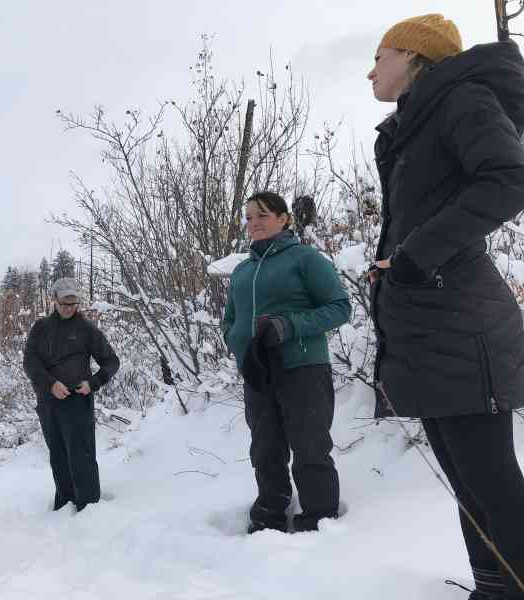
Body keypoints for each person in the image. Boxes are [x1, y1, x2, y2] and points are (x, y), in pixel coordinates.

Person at [367, 14, 524, 599]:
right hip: (429, 328)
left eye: (379, 56)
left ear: (412, 55)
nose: (370, 71)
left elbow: (510, 177)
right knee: (468, 485)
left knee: (493, 483)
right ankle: (494, 589)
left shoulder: (462, 100)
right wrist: (397, 264)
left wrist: (414, 255)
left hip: (466, 326)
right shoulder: (411, 126)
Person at [221, 191, 350, 534]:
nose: (253, 223)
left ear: (284, 219)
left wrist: (289, 326)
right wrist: (235, 343)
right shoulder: (241, 272)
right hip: (258, 372)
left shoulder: (306, 259)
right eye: (248, 217)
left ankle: (318, 520)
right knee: (265, 448)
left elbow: (340, 307)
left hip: (303, 367)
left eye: (262, 215)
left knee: (310, 445)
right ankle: (269, 517)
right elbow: (230, 319)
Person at [23, 278, 120, 512]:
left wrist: (93, 383)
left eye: (73, 303)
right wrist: (50, 384)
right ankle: (64, 505)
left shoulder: (87, 330)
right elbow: (30, 363)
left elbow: (111, 362)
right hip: (49, 403)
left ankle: (88, 508)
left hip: (78, 403)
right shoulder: (41, 328)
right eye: (64, 303)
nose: (68, 308)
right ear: (54, 300)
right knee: (58, 456)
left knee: (82, 457)